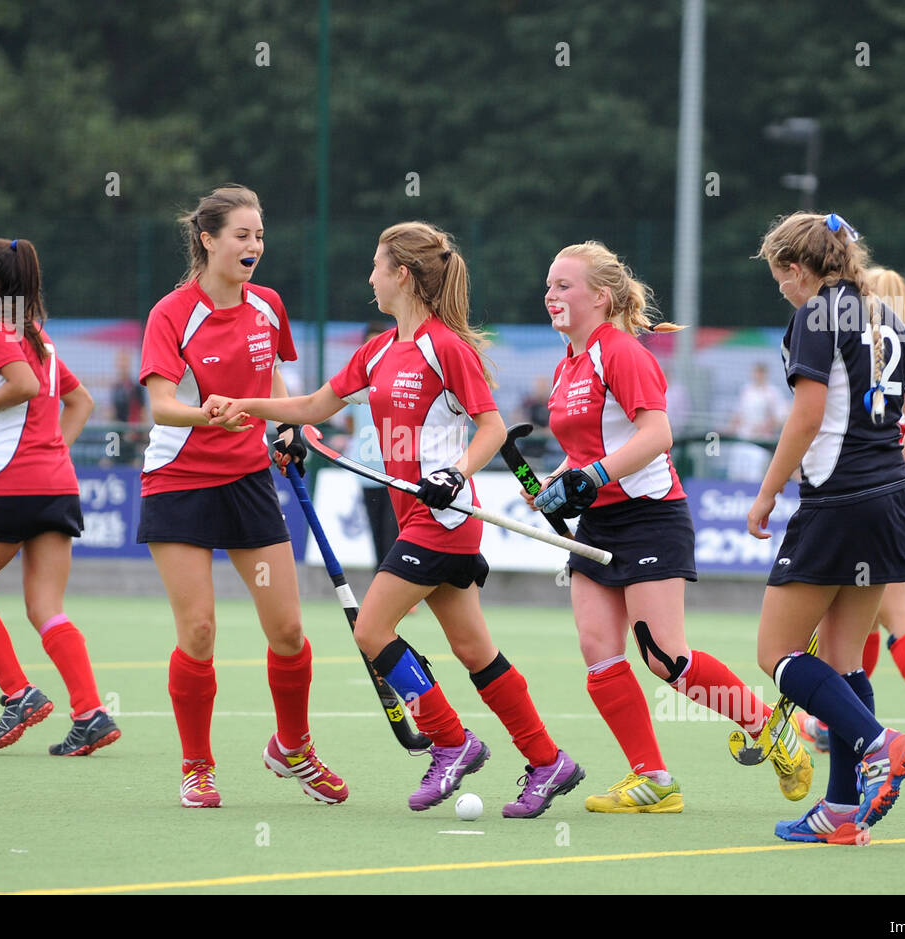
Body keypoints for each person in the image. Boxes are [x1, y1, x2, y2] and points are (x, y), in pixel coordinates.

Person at [208, 221, 585, 819]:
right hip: (413, 514)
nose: (370, 277)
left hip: (444, 518)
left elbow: (490, 426)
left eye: (377, 266)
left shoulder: (446, 347)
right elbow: (312, 407)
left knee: (371, 630)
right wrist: (249, 408)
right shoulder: (379, 350)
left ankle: (452, 743)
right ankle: (548, 761)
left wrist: (456, 473)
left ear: (402, 275)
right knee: (473, 648)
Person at [525, 241, 812, 815]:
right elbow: (584, 448)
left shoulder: (621, 353)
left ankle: (769, 728)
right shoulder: (566, 364)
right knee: (598, 652)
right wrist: (552, 482)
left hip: (651, 518)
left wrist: (594, 475)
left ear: (601, 297)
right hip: (598, 521)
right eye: (550, 285)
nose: (551, 295)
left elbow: (656, 434)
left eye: (564, 285)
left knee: (665, 659)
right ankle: (652, 778)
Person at [137, 184, 346, 809]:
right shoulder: (171, 313)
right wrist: (209, 417)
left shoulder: (269, 306)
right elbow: (161, 405)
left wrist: (286, 426)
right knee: (198, 629)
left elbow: (275, 380)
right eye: (241, 235)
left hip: (250, 480)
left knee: (286, 629)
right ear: (208, 240)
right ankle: (197, 766)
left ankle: (293, 747)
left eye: (259, 235)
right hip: (178, 483)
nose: (254, 246)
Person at [750, 212, 905, 845]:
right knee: (843, 658)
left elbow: (805, 417)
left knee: (775, 654)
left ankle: (880, 745)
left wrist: (767, 492)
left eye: (781, 278)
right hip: (891, 504)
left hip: (834, 504)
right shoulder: (887, 316)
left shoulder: (817, 314)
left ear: (798, 269)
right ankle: (841, 810)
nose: (782, 290)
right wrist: (892, 487)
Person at [0, 237, 120, 756]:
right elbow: (80, 401)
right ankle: (90, 713)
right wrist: (53, 454)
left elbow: (19, 385)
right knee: (46, 607)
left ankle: (19, 693)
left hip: (12, 485)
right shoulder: (37, 336)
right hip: (56, 486)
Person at [799, 267, 905, 759]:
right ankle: (837, 720)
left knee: (893, 614)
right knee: (863, 622)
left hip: (873, 496)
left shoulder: (849, 351)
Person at [344, 322, 402, 573]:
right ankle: (382, 583)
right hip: (366, 470)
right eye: (370, 343)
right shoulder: (357, 381)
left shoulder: (400, 378)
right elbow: (348, 420)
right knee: (377, 533)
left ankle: (397, 585)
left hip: (396, 472)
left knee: (394, 532)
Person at [727, 362, 788, 482]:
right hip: (743, 438)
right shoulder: (746, 390)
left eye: (760, 373)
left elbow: (781, 417)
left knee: (754, 476)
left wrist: (764, 427)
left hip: (760, 442)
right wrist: (729, 428)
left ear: (765, 374)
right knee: (736, 474)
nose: (757, 376)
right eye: (756, 372)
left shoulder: (773, 392)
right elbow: (738, 414)